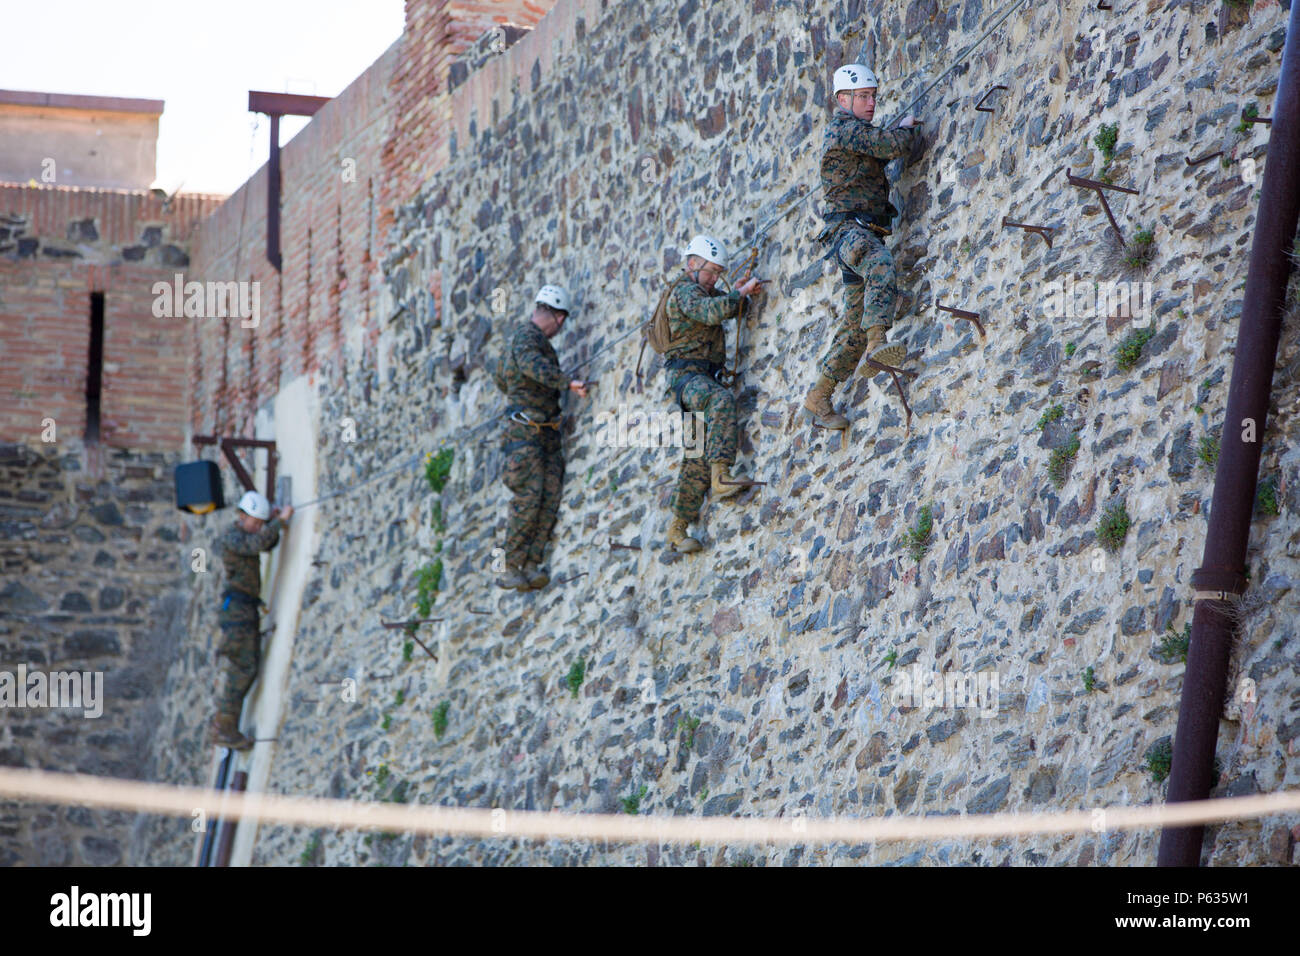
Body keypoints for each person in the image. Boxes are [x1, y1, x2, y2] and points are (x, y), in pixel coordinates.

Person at [804, 62, 922, 430]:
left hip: (857, 231)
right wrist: (904, 131)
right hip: (850, 233)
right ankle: (876, 344)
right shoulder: (845, 130)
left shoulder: (854, 131)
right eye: (863, 96)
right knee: (879, 262)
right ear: (843, 99)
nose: (871, 103)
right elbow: (891, 146)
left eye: (873, 96)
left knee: (852, 322)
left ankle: (819, 395)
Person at [661, 234, 764, 553]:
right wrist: (737, 294)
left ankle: (677, 530)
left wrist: (740, 295)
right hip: (688, 378)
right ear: (692, 264)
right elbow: (710, 312)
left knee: (696, 454)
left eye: (719, 272)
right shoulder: (684, 291)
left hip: (698, 379)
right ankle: (721, 477)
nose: (714, 277)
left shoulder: (701, 289)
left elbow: (724, 306)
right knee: (719, 400)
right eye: (711, 271)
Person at [492, 284, 588, 589]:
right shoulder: (526, 337)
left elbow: (501, 378)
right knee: (528, 498)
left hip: (543, 433)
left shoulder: (525, 340)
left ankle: (531, 563)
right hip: (526, 434)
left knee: (547, 498)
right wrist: (566, 383)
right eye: (561, 322)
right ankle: (507, 565)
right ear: (557, 317)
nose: (560, 330)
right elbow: (532, 367)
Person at [211, 490, 291, 750]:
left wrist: (273, 524)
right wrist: (277, 522)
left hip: (243, 610)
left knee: (246, 667)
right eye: (254, 522)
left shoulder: (247, 535)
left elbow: (267, 544)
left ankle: (225, 724)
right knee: (242, 669)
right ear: (241, 516)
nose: (257, 527)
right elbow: (256, 545)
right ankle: (225, 727)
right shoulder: (232, 537)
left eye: (259, 523)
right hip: (238, 612)